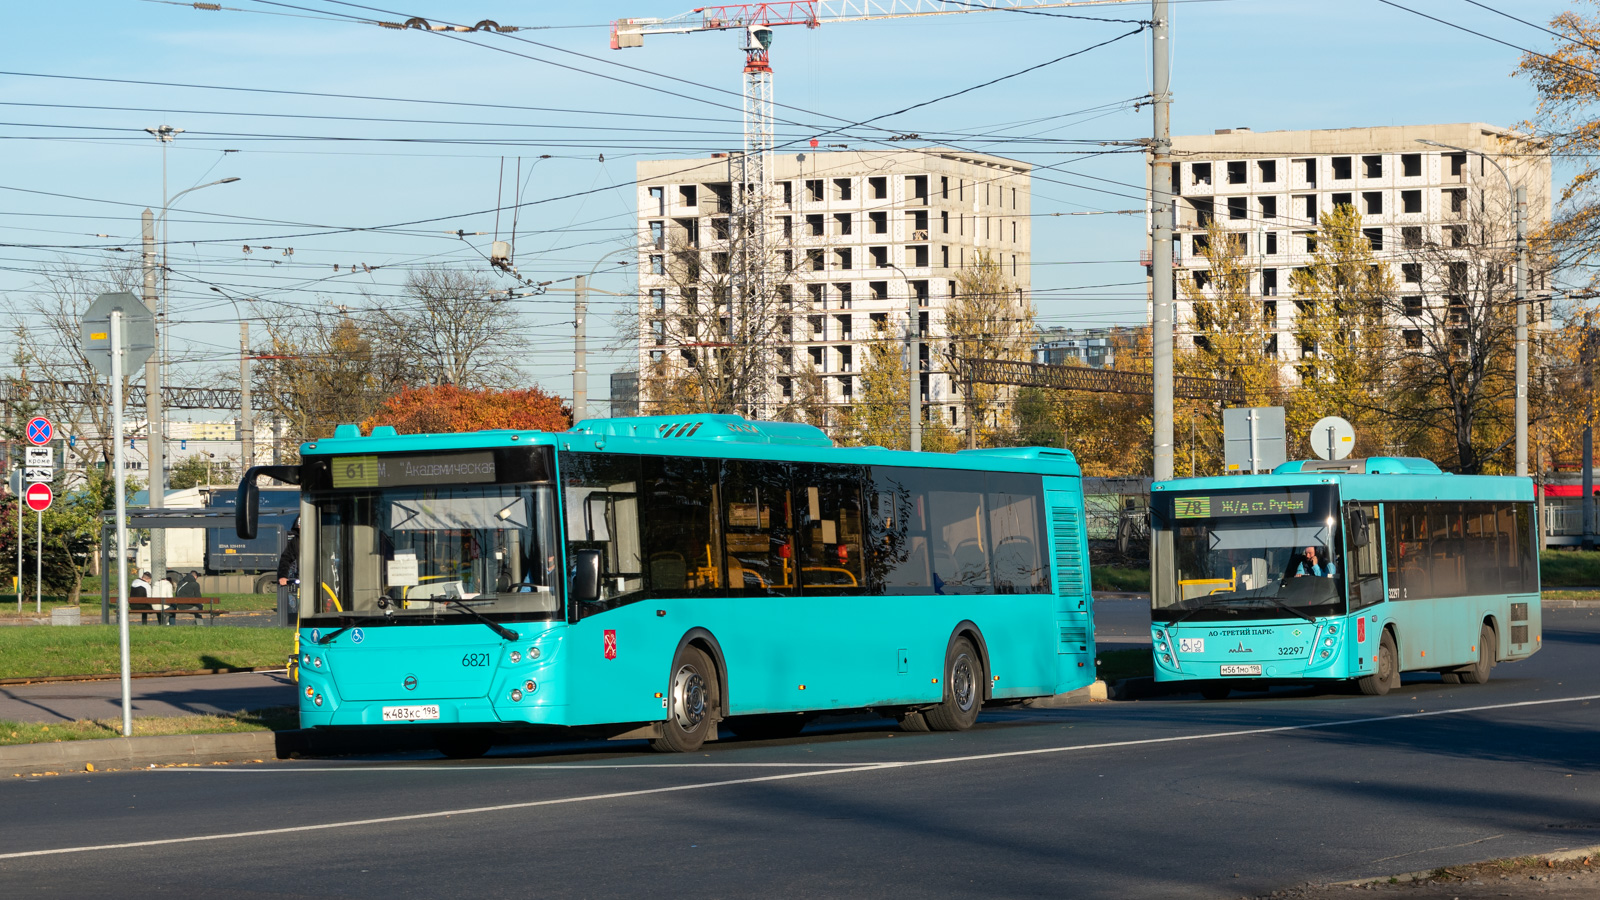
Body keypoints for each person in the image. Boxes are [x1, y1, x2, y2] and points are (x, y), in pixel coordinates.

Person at [277, 519, 300, 616]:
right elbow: (286, 558)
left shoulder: (322, 537)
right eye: (299, 524)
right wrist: (283, 575)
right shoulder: (296, 541)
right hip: (304, 581)